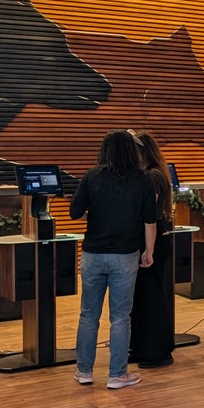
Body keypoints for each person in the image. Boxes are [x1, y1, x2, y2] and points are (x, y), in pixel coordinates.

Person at [69, 130, 157, 389]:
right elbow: (149, 221)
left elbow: (75, 212)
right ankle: (117, 375)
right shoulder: (142, 180)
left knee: (88, 315)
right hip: (125, 255)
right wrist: (149, 251)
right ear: (131, 150)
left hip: (92, 254)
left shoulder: (91, 176)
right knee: (120, 317)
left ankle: (84, 371)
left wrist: (96, 215)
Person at [131, 131, 175, 369]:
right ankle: (140, 346)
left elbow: (148, 211)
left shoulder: (152, 176)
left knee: (152, 296)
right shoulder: (152, 175)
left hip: (153, 240)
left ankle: (156, 350)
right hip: (150, 238)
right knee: (141, 296)